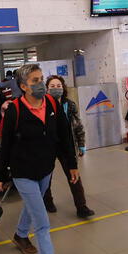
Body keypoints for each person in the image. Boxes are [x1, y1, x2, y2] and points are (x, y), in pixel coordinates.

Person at [0, 64, 78, 254]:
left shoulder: (52, 105)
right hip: (23, 172)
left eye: (41, 78)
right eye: (35, 80)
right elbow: (6, 145)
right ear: (23, 86)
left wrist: (71, 164)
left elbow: (64, 136)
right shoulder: (15, 111)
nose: (41, 83)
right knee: (42, 222)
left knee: (34, 207)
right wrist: (1, 175)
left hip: (45, 169)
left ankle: (20, 235)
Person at [43, 75, 95, 218]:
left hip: (67, 145)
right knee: (46, 176)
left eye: (58, 86)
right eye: (52, 86)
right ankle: (47, 201)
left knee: (74, 176)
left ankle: (81, 207)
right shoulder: (42, 105)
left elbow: (78, 125)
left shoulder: (69, 105)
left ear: (63, 87)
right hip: (49, 146)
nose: (56, 88)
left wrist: (82, 144)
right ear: (46, 89)